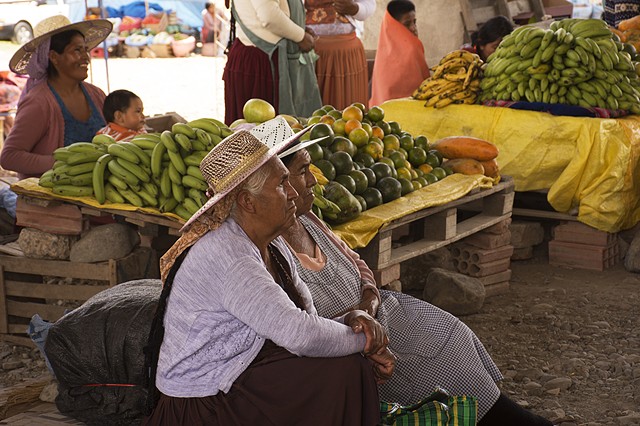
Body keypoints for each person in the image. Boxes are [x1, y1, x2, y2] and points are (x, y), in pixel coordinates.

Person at [279, 144, 556, 426]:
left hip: (382, 311)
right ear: (278, 183)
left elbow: (357, 264)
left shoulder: (309, 218)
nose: (314, 179)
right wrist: (359, 323)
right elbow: (302, 329)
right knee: (435, 371)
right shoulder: (270, 250)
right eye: (303, 172)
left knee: (452, 336)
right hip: (355, 343)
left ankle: (497, 412)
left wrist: (369, 302)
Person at [143, 119, 395, 425]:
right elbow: (299, 334)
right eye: (280, 184)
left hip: (240, 375)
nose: (292, 193)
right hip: (203, 404)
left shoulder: (273, 245)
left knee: (344, 363)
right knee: (344, 368)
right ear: (248, 201)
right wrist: (368, 343)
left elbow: (307, 321)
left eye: (288, 180)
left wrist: (353, 322)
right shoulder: (228, 254)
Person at [0, 15, 112, 180]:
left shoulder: (96, 95)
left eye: (85, 50)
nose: (86, 58)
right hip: (50, 201)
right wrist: (63, 162)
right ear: (54, 57)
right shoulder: (39, 102)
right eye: (77, 50)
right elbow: (9, 157)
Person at [222, 0, 322, 124]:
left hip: (260, 56)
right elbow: (269, 16)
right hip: (260, 61)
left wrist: (298, 27)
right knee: (262, 132)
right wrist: (300, 36)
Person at [305, 0, 375, 110]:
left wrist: (355, 8)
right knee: (309, 110)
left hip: (345, 54)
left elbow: (369, 4)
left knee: (348, 111)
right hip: (307, 51)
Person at [369, 0, 429, 107]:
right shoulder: (410, 49)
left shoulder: (411, 48)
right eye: (407, 24)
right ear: (394, 27)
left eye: (414, 22)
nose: (413, 28)